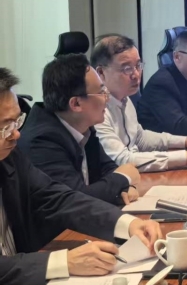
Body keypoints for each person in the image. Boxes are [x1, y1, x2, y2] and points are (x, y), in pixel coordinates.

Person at [0, 68, 162, 285]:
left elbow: (57, 198)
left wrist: (128, 223)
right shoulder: (40, 138)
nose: (16, 133)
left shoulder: (9, 157)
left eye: (16, 121)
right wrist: (64, 262)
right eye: (5, 126)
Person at [18, 55, 140, 206]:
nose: (107, 98)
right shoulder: (41, 141)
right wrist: (124, 178)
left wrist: (124, 187)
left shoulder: (82, 124)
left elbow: (108, 168)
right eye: (101, 92)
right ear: (76, 104)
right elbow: (74, 199)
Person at [91, 34, 187, 172]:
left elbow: (140, 138)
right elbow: (123, 160)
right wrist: (186, 157)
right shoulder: (95, 110)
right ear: (101, 73)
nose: (136, 75)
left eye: (138, 66)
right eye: (127, 68)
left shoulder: (125, 99)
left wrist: (186, 141)